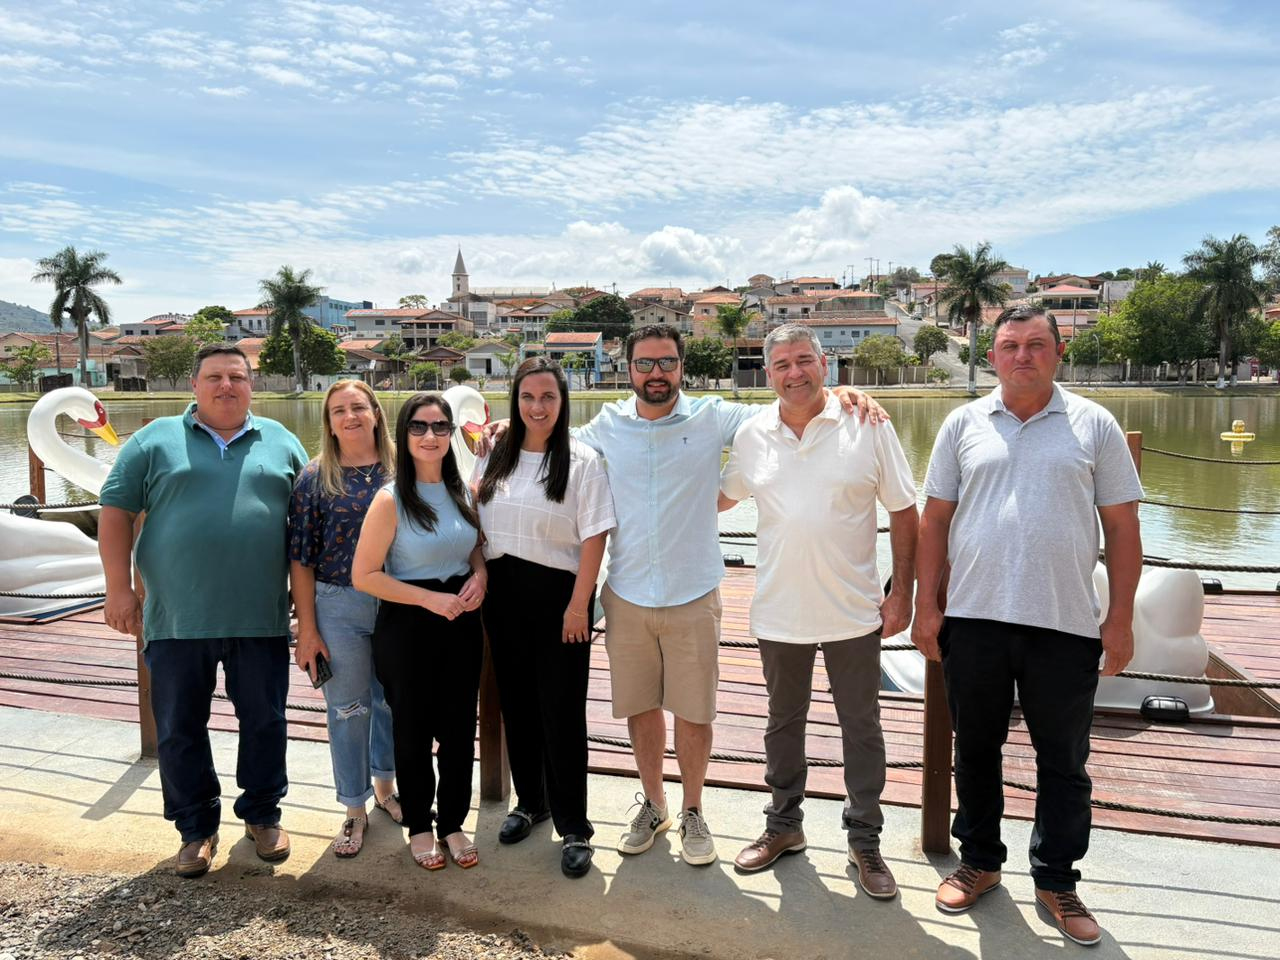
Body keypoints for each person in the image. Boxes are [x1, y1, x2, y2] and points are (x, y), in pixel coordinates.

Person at [482, 323, 884, 867]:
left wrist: (840, 394)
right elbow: (550, 431)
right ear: (628, 369)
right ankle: (654, 804)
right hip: (627, 591)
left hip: (693, 590)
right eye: (645, 363)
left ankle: (694, 808)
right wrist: (508, 424)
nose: (657, 373)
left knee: (695, 712)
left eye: (667, 362)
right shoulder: (606, 425)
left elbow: (787, 403)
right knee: (641, 707)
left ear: (681, 366)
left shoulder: (714, 416)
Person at [912, 305, 1143, 946]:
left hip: (1064, 622)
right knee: (974, 749)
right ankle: (980, 860)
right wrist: (926, 605)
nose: (1022, 356)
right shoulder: (962, 423)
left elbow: (1123, 528)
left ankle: (1057, 878)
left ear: (1058, 352)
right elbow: (935, 519)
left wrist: (1120, 618)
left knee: (1063, 761)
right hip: (975, 617)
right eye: (1010, 345)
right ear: (991, 357)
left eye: (1036, 344)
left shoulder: (1094, 424)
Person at [718, 323, 918, 899]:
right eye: (782, 364)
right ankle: (784, 825)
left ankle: (864, 841)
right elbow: (719, 498)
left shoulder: (868, 423)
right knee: (783, 724)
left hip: (853, 611)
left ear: (825, 364)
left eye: (804, 359)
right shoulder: (753, 434)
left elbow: (905, 511)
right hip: (779, 610)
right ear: (768, 372)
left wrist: (902, 592)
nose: (794, 372)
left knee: (862, 727)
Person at [98, 344, 308, 879]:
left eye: (237, 376)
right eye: (214, 376)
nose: (226, 386)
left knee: (265, 721)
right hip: (176, 616)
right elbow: (116, 512)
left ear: (251, 385)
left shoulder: (281, 441)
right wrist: (118, 588)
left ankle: (262, 815)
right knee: (178, 727)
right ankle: (195, 828)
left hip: (260, 615)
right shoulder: (153, 440)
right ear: (194, 385)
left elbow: (309, 522)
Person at [473, 357, 616, 878]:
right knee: (518, 706)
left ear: (563, 401)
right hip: (502, 595)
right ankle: (532, 803)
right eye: (528, 397)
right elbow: (475, 517)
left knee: (561, 712)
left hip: (560, 599)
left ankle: (575, 825)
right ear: (515, 400)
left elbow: (595, 537)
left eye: (548, 397)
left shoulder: (582, 460)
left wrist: (579, 606)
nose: (537, 407)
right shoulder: (494, 453)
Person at [351, 392, 487, 871]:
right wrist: (429, 600)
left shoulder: (462, 491)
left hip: (461, 622)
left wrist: (481, 575)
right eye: (419, 427)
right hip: (409, 623)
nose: (430, 436)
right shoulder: (390, 499)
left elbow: (471, 546)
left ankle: (452, 822)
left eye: (440, 427)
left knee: (458, 730)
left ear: (451, 434)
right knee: (411, 730)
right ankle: (420, 826)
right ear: (403, 435)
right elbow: (364, 575)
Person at [288, 379, 402, 858]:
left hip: (398, 602)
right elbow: (300, 558)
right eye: (339, 411)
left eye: (358, 407)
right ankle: (354, 808)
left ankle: (386, 787)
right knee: (348, 708)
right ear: (330, 424)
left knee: (391, 702)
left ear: (375, 413)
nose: (350, 416)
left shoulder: (405, 468)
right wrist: (307, 627)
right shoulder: (315, 478)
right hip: (339, 603)